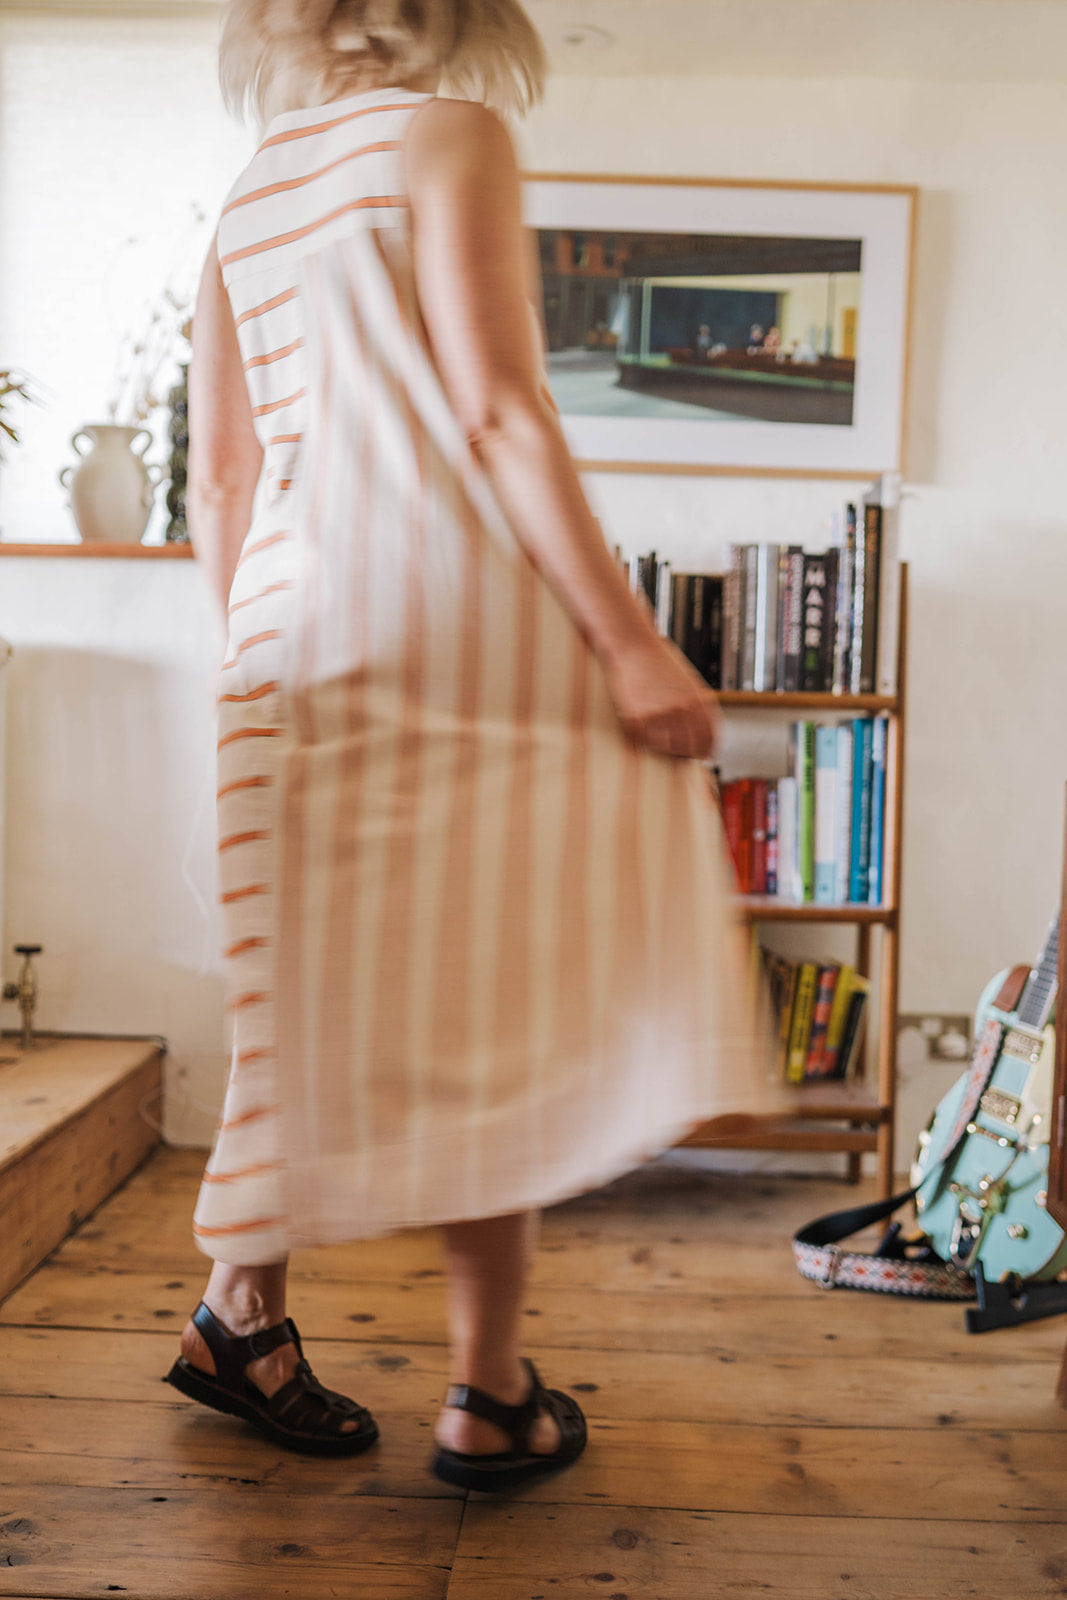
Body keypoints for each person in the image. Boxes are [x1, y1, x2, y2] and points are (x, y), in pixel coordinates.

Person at [167, 0, 773, 1493]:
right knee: (493, 976)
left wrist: (251, 657)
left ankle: (242, 1318)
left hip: (284, 636)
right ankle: (487, 1395)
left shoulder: (247, 197)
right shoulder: (450, 135)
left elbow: (222, 480)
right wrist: (633, 642)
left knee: (299, 973)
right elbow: (500, 413)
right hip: (454, 617)